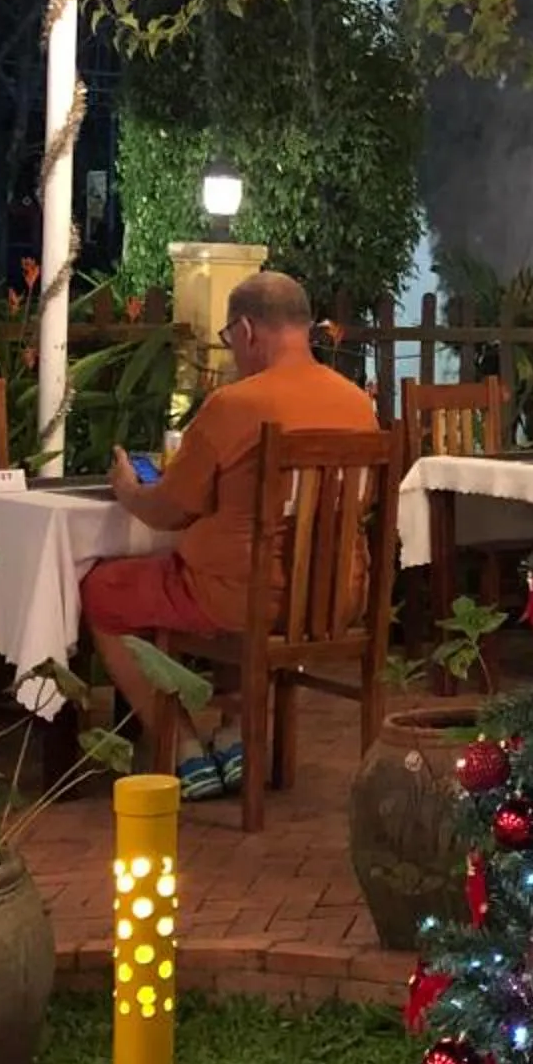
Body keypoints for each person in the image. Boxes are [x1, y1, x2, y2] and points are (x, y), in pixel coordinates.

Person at [82, 269, 379, 788]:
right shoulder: (358, 404)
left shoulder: (236, 405)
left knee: (104, 591)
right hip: (338, 597)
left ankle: (183, 749)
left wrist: (128, 488)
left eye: (228, 338)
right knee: (234, 573)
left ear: (245, 331)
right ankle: (236, 735)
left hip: (243, 600)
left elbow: (170, 510)